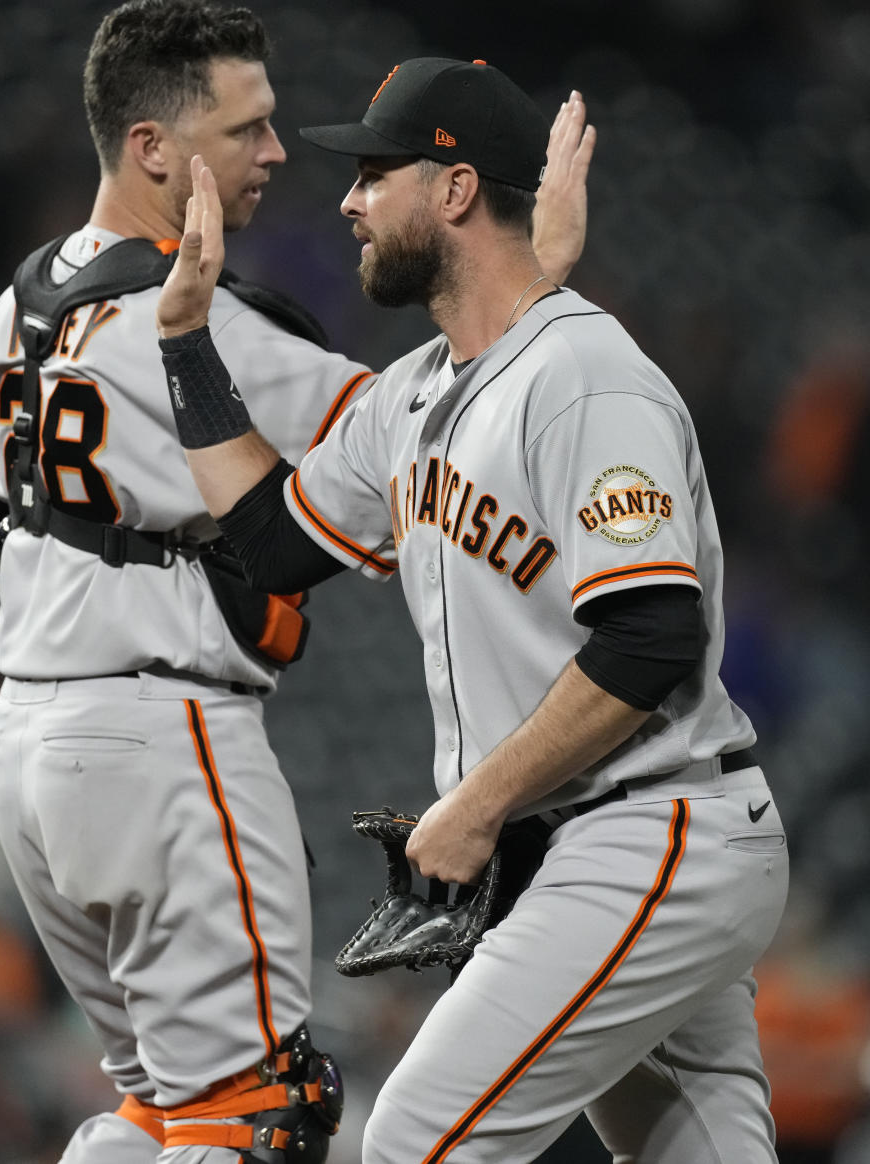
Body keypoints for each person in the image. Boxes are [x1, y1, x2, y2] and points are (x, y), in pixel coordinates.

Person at [0, 3, 594, 1160]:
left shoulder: (20, 304)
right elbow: (429, 447)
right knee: (261, 1113)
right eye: (247, 128)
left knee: (157, 1107)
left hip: (30, 747)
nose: (278, 153)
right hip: (159, 739)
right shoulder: (204, 323)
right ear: (153, 149)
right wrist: (530, 279)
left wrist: (54, 634)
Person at [154, 56, 790, 1164]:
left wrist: (476, 805)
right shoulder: (417, 390)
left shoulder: (589, 376)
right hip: (609, 841)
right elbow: (272, 546)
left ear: (453, 192)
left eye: (374, 172)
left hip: (652, 833)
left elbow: (652, 637)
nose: (347, 199)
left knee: (416, 1139)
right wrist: (185, 346)